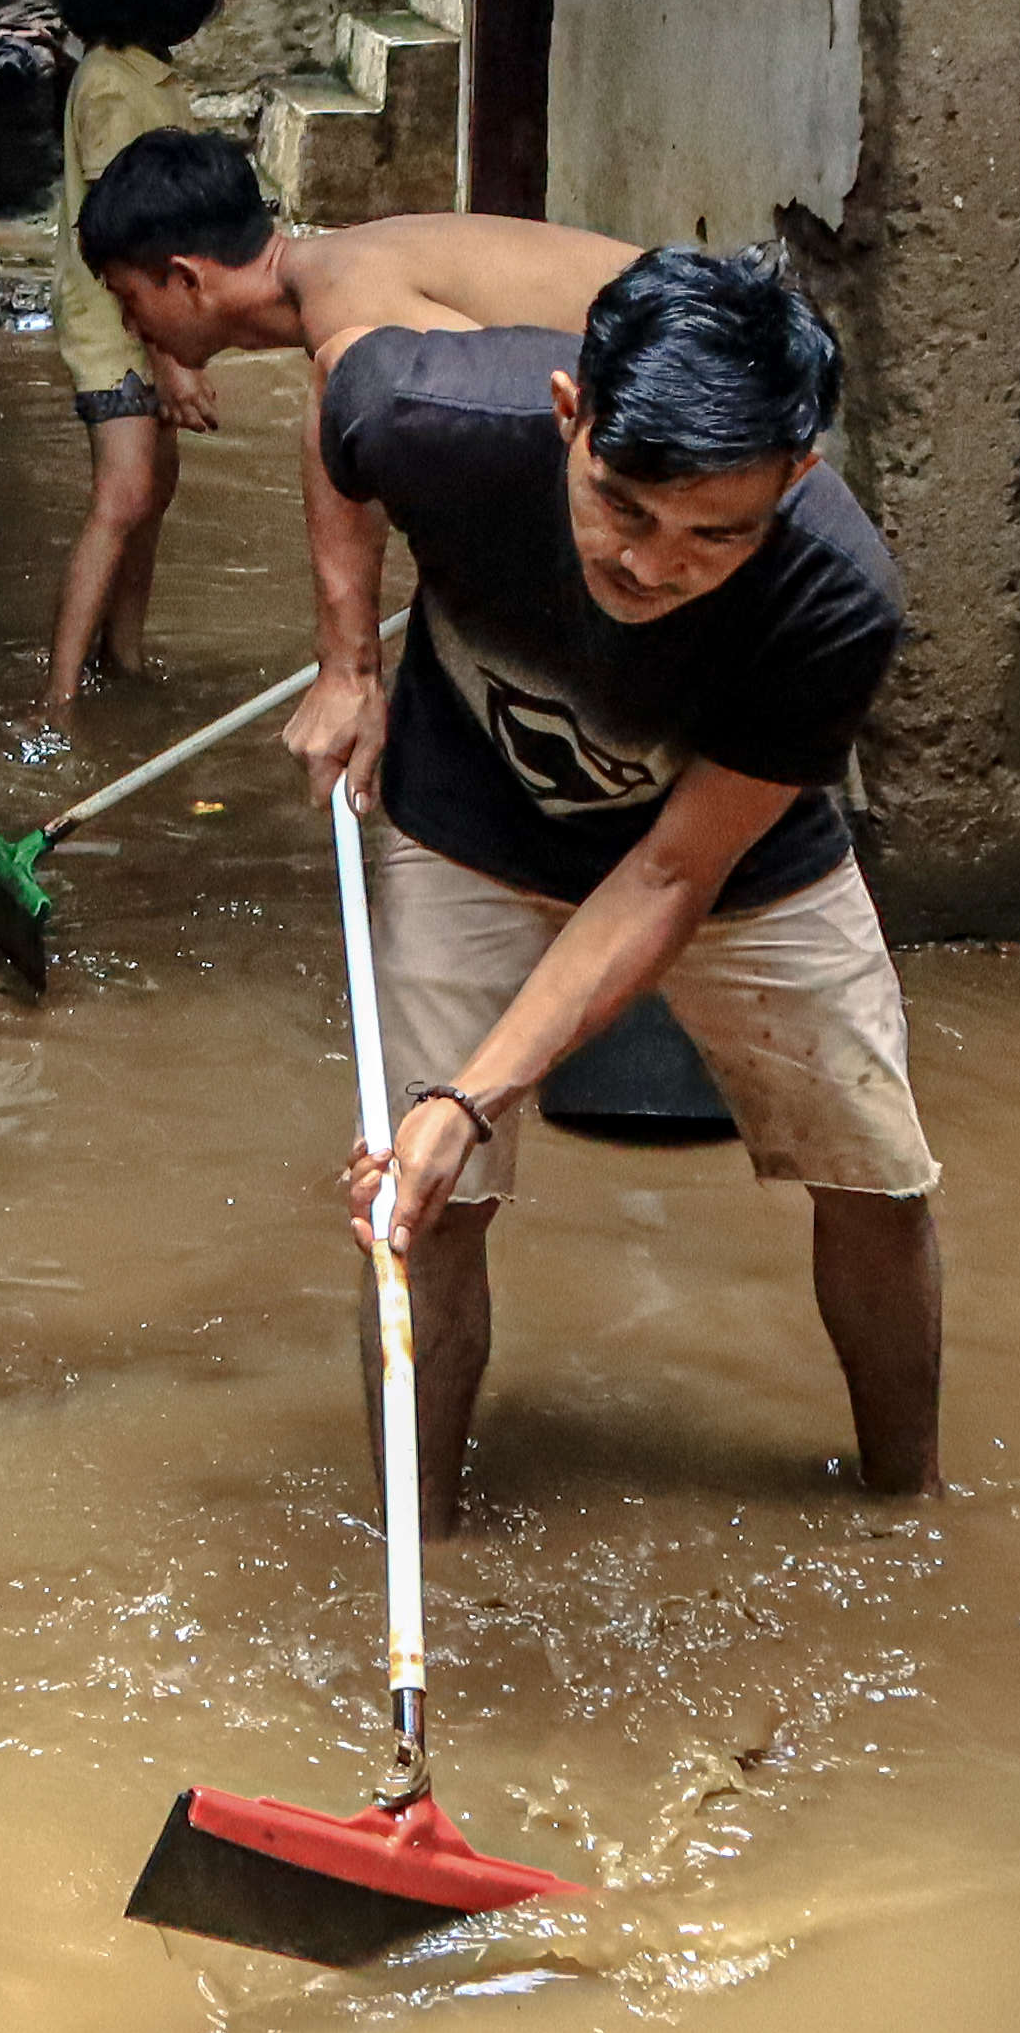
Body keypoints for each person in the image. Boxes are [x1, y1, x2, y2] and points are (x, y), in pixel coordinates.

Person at [306, 250, 940, 1532]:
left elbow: (670, 874)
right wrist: (345, 661)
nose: (654, 563)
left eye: (718, 534)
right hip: (463, 816)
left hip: (733, 863)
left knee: (872, 1165)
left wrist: (470, 1094)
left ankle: (909, 1507)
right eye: (623, 506)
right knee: (420, 1203)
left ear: (794, 484)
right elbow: (332, 419)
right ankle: (417, 1542)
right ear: (566, 415)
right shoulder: (432, 415)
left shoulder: (835, 596)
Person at [69, 126, 644, 806]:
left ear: (188, 278)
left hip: (717, 422)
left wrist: (351, 664)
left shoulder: (348, 315)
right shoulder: (332, 277)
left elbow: (530, 438)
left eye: (129, 299)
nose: (133, 329)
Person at [37, 0, 231, 720]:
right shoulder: (114, 87)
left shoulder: (145, 76)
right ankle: (56, 699)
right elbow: (127, 238)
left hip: (149, 327)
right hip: (118, 331)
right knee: (121, 500)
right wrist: (171, 361)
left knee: (148, 499)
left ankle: (124, 656)